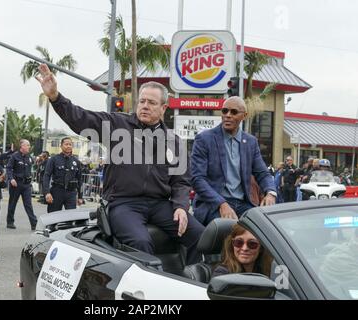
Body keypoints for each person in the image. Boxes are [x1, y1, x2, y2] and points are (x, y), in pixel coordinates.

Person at [36, 64, 204, 264]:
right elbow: (81, 118)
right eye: (142, 101)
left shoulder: (173, 141)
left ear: (164, 108)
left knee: (201, 236)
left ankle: (192, 282)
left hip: (160, 204)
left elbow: (181, 181)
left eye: (151, 102)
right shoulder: (117, 125)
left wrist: (181, 207)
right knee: (141, 242)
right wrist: (56, 98)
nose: (145, 106)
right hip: (123, 203)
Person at [191, 96, 276, 226]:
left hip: (244, 204)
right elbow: (197, 179)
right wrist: (221, 203)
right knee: (229, 230)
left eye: (234, 112)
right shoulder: (204, 139)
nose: (228, 115)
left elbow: (262, 173)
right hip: (213, 205)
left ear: (244, 116)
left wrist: (270, 193)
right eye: (224, 111)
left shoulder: (251, 142)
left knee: (264, 230)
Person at [43, 138, 83, 212]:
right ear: (61, 146)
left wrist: (80, 196)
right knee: (53, 217)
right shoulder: (54, 159)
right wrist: (47, 192)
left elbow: (80, 180)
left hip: (71, 193)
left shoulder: (76, 162)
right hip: (57, 191)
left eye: (70, 144)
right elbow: (46, 176)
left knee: (71, 218)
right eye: (66, 144)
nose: (68, 146)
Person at [6, 139, 37, 230]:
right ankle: (10, 221)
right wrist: (11, 179)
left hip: (26, 184)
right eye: (27, 145)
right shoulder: (14, 156)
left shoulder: (29, 157)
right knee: (12, 203)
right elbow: (9, 168)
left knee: (28, 204)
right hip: (16, 184)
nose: (29, 147)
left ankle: (33, 223)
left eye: (29, 145)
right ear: (22, 146)